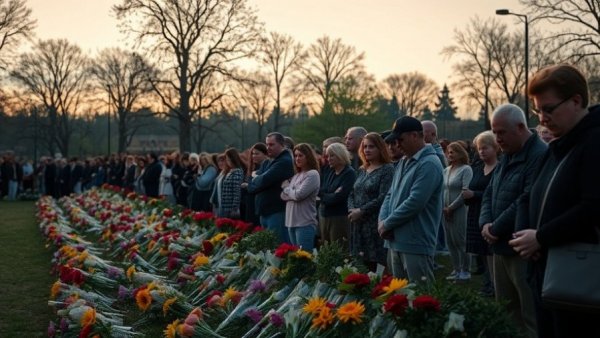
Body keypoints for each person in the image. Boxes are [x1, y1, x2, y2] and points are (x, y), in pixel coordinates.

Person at [508, 64, 600, 337]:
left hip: (579, 278)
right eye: (537, 111)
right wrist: (526, 239)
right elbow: (527, 196)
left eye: (548, 109)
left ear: (576, 101)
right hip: (546, 271)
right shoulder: (556, 146)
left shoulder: (594, 142)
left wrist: (542, 237)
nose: (542, 118)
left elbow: (593, 207)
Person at [480, 103, 547, 338]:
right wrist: (485, 223)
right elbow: (490, 192)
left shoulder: (539, 155)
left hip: (522, 249)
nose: (497, 138)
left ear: (520, 127)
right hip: (500, 245)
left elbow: (525, 198)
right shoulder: (508, 154)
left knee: (530, 316)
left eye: (501, 132)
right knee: (506, 313)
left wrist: (495, 227)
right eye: (494, 132)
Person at [378, 116, 443, 284]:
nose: (397, 145)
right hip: (395, 240)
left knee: (420, 298)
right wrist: (382, 220)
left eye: (400, 139)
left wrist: (387, 223)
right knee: (399, 297)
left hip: (416, 242)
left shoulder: (429, 163)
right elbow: (390, 195)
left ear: (415, 135)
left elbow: (415, 202)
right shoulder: (404, 162)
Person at [348, 132, 394, 272]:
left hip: (374, 224)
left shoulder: (387, 169)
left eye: (371, 147)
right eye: (365, 146)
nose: (367, 150)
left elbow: (384, 197)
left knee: (376, 265)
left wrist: (362, 211)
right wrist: (352, 209)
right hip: (357, 224)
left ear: (380, 148)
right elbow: (352, 192)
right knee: (359, 264)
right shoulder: (362, 169)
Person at [464, 131, 498, 296]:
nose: (482, 151)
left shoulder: (499, 167)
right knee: (482, 252)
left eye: (486, 148)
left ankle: (495, 284)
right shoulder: (477, 168)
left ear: (495, 148)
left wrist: (475, 194)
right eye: (479, 148)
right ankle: (487, 283)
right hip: (475, 214)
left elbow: (495, 193)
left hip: (491, 215)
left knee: (491, 252)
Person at [246, 132, 294, 243]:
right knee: (268, 247)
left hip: (276, 211)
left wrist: (256, 178)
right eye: (267, 144)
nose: (268, 148)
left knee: (277, 246)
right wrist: (255, 180)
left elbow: (263, 180)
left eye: (272, 145)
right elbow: (252, 186)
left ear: (282, 144)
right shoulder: (270, 161)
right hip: (266, 211)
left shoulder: (284, 161)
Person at [280, 143, 320, 251]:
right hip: (291, 222)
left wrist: (288, 189)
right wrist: (291, 192)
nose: (297, 158)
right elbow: (283, 196)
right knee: (296, 257)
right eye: (296, 155)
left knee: (304, 257)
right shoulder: (297, 175)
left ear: (308, 156)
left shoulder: (312, 174)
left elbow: (298, 195)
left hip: (304, 223)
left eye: (300, 155)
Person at [443, 142, 473, 281]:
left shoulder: (466, 169)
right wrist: (444, 208)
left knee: (461, 241)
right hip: (445, 210)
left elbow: (464, 192)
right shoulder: (446, 170)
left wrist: (452, 207)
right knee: (450, 241)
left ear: (460, 153)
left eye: (453, 151)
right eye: (448, 152)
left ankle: (466, 270)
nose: (450, 154)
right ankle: (456, 269)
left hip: (459, 209)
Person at [318, 142, 356, 250]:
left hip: (339, 217)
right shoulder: (331, 172)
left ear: (340, 155)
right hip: (325, 216)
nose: (328, 159)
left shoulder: (349, 173)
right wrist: (330, 195)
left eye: (332, 155)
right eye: (327, 156)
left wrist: (326, 196)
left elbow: (340, 197)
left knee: (339, 250)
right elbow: (321, 191)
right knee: (327, 250)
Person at [211, 149, 244, 218]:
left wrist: (234, 208)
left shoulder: (237, 171)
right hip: (225, 206)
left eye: (228, 160)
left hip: (230, 208)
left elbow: (236, 192)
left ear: (233, 159)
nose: (227, 162)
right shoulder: (231, 171)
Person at [243, 143, 268, 225]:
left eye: (257, 154)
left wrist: (248, 186)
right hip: (251, 202)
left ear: (265, 154)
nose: (254, 156)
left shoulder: (267, 167)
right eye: (253, 154)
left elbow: (259, 185)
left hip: (260, 203)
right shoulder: (253, 168)